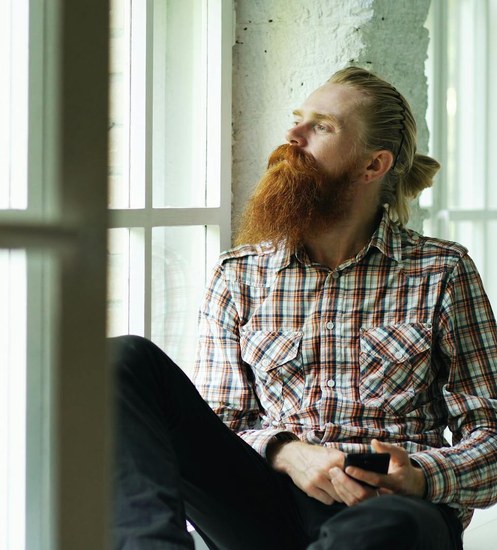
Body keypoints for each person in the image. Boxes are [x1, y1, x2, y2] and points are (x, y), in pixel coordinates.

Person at [112, 66, 497, 549]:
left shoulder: (442, 271)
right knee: (121, 360)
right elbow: (224, 420)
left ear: (373, 166)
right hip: (264, 499)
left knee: (393, 526)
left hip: (385, 507)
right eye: (298, 119)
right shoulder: (239, 275)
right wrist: (288, 452)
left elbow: (490, 436)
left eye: (322, 126)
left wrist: (420, 476)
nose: (292, 135)